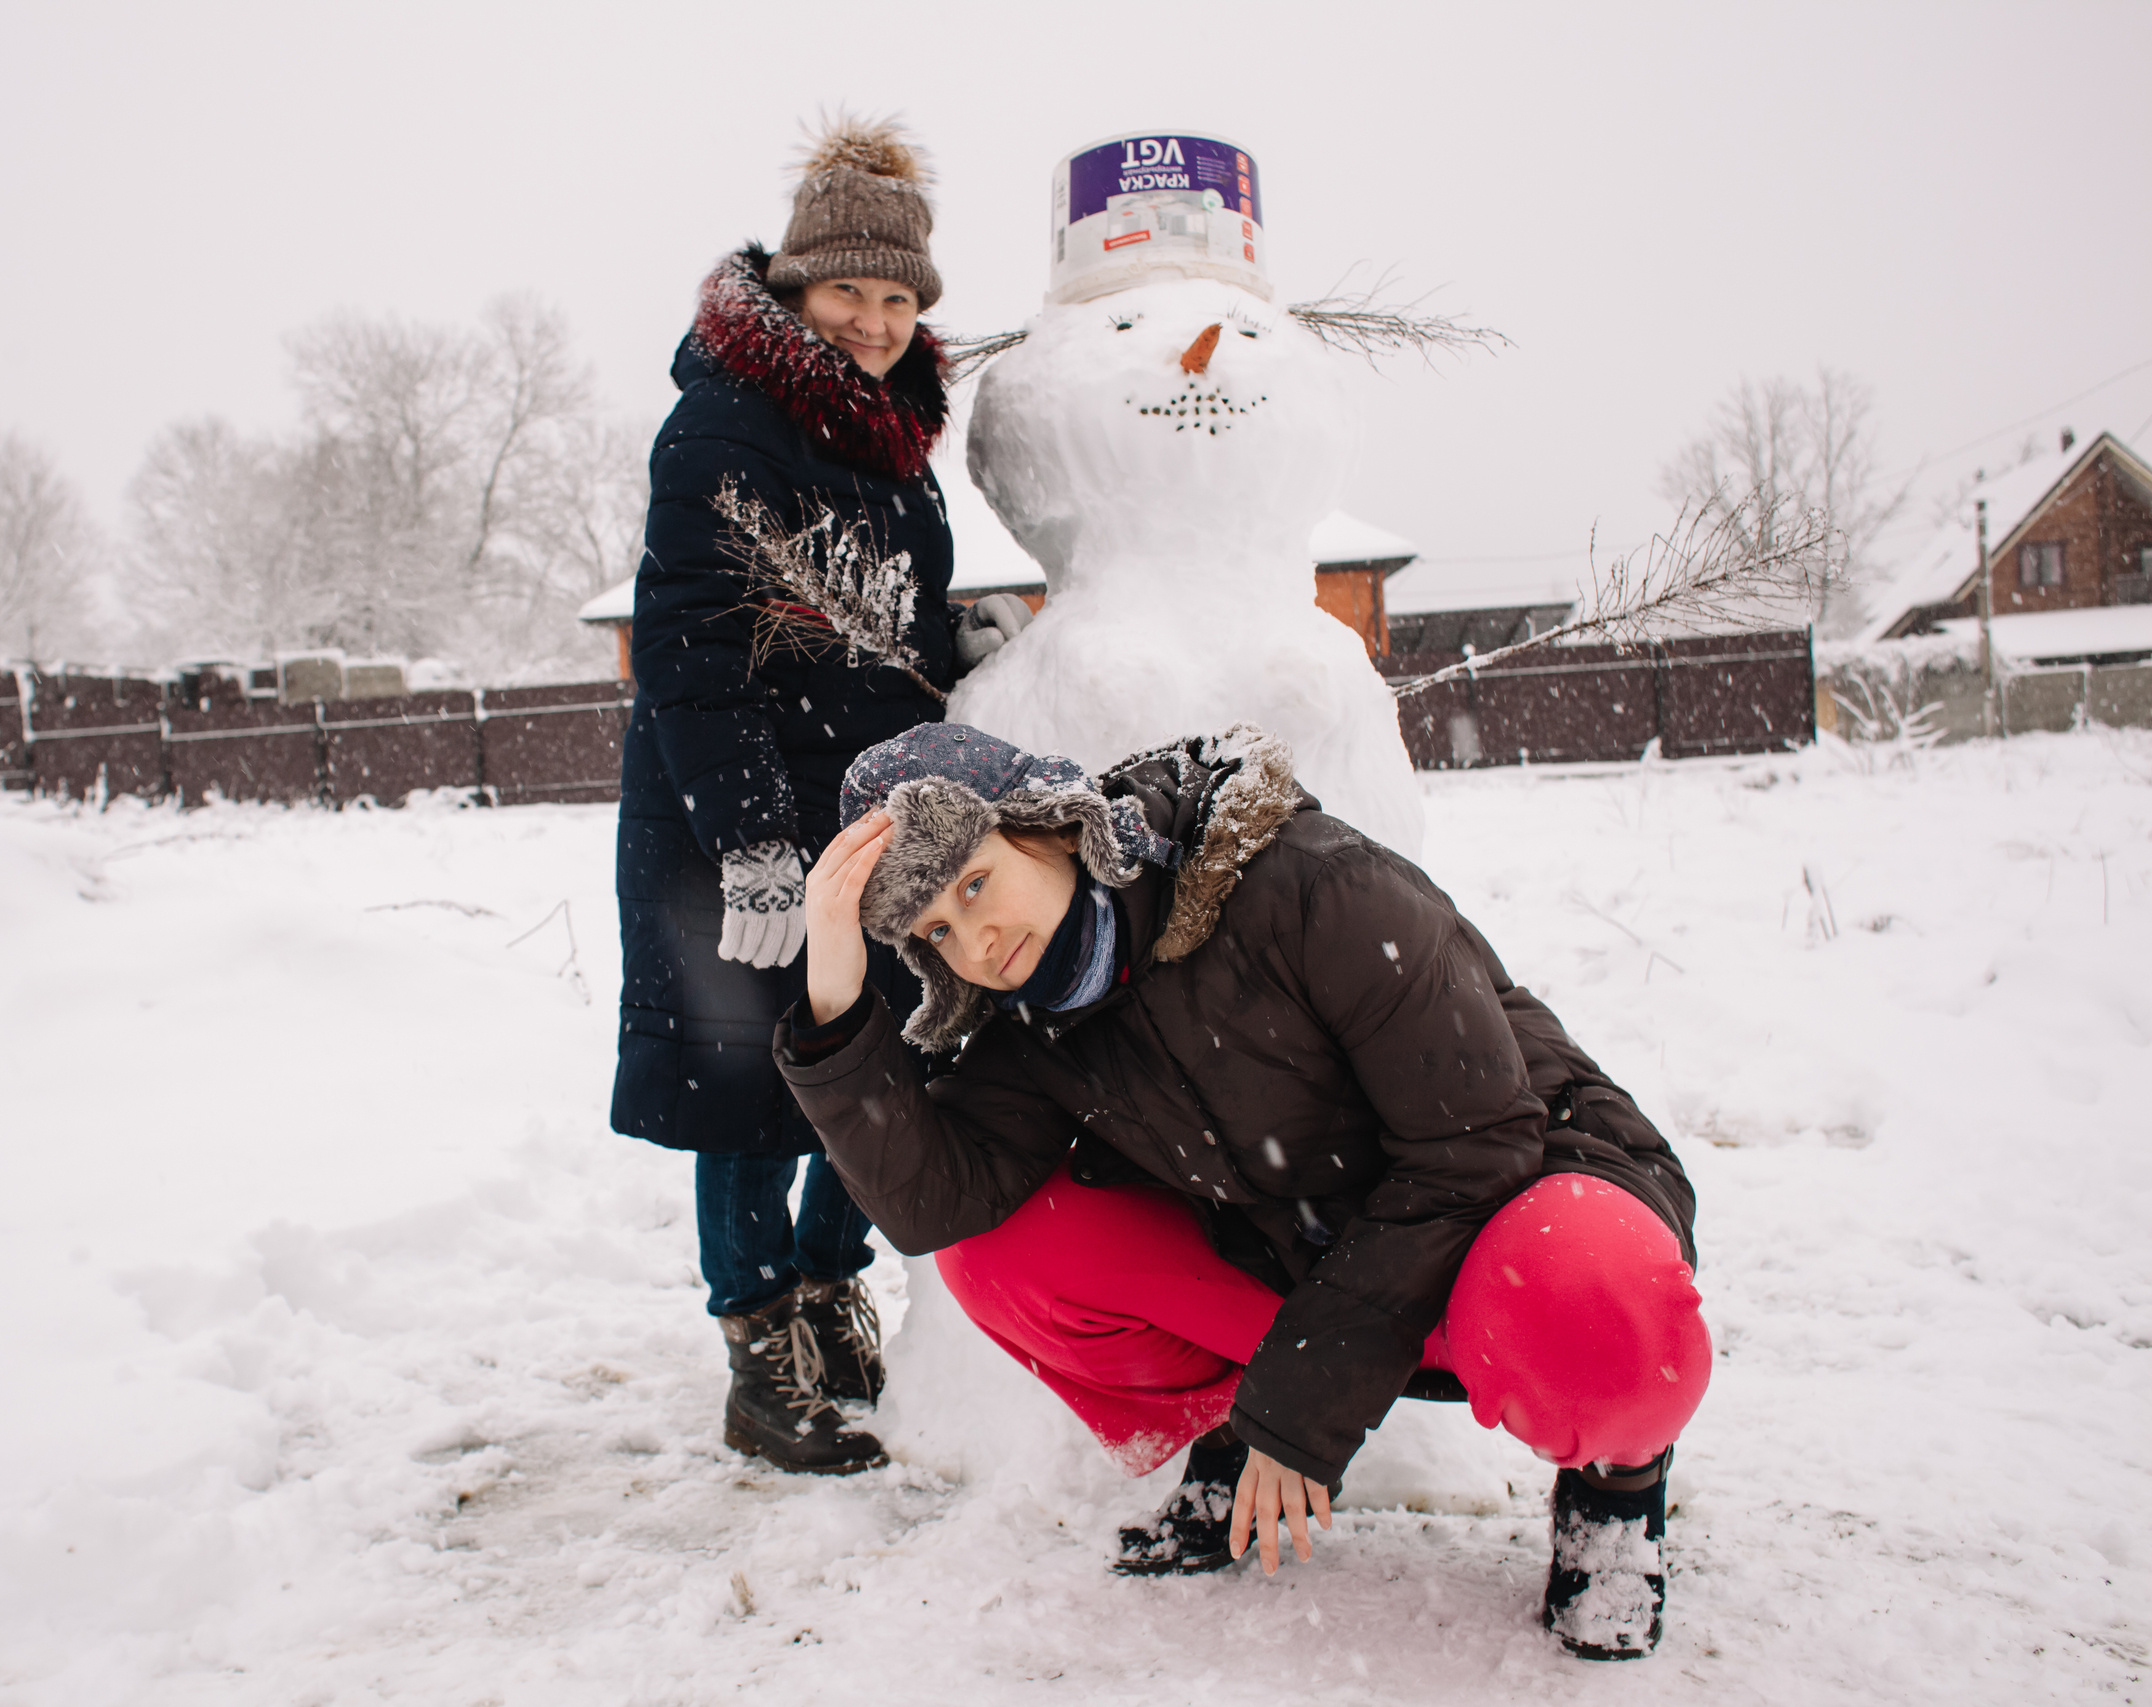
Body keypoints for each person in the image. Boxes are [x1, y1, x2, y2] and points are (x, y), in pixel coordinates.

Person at [775, 721, 1710, 1660]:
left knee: (1593, 1292)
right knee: (997, 1250)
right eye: (936, 928)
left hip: (1523, 1198)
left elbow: (1476, 1148)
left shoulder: (1305, 882)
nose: (974, 938)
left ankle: (1617, 1482)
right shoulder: (1035, 1022)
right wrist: (833, 998)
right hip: (1328, 1263)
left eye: (975, 884)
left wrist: (1300, 1411)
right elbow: (936, 1202)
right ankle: (1229, 1430)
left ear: (1048, 825)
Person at [610, 119, 1031, 1476]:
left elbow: (886, 622)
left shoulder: (895, 435)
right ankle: (758, 1337)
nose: (874, 321)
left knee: (873, 1065)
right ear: (795, 288)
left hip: (861, 806)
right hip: (728, 812)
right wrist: (749, 846)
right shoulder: (723, 427)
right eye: (849, 292)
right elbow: (688, 653)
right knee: (750, 1081)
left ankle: (828, 1280)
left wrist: (959, 647)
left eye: (901, 300)